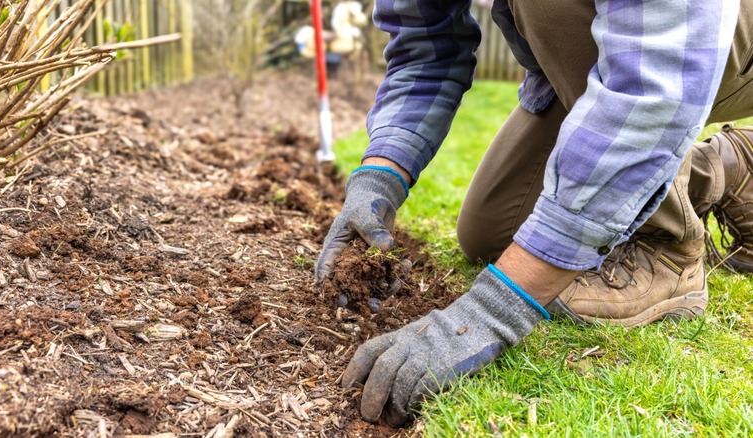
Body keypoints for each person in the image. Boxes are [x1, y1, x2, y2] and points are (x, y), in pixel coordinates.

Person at [315, 0, 753, 427]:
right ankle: (721, 168)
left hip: (701, 41)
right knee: (492, 234)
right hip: (611, 56)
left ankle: (667, 246)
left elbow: (657, 87)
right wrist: (379, 178)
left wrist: (492, 311)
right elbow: (424, 50)